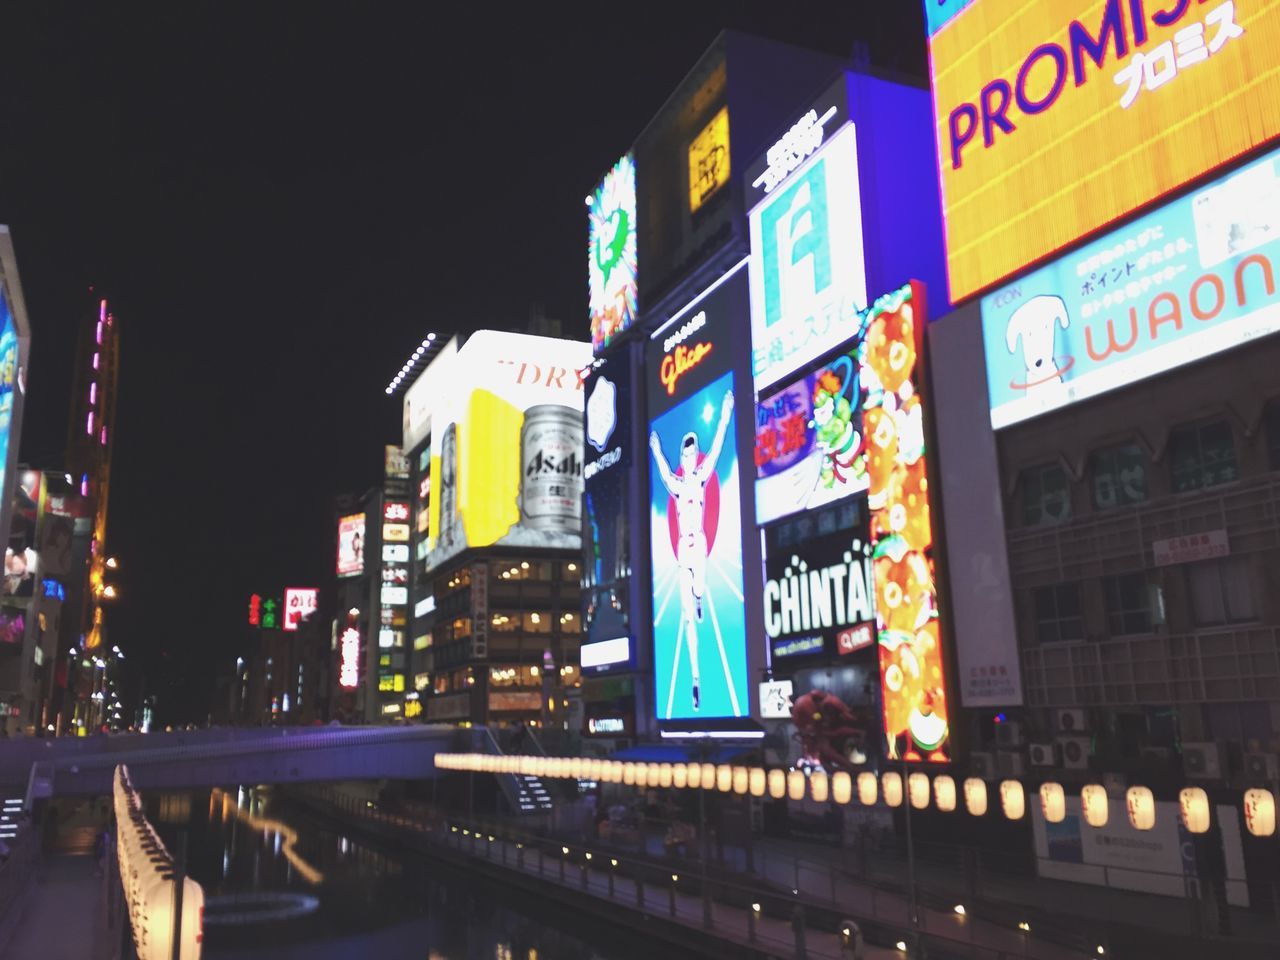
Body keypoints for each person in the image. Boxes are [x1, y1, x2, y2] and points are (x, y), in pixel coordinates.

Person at [649, 389, 734, 711]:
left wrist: (725, 412)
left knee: (699, 589)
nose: (688, 456)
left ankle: (699, 596)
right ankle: (695, 679)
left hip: (698, 547)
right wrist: (656, 447)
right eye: (685, 452)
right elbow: (661, 467)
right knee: (688, 620)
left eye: (691, 451)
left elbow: (718, 446)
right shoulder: (675, 483)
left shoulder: (700, 478)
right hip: (684, 552)